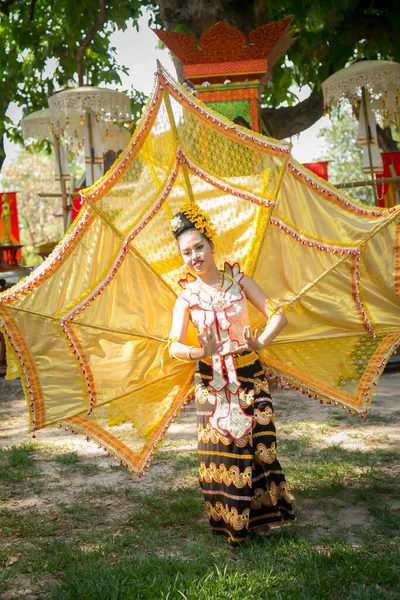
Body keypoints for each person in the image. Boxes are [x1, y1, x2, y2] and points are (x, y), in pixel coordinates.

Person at [168, 202, 296, 548]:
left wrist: (261, 340)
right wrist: (200, 352)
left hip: (250, 374)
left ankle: (262, 517)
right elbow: (173, 347)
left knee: (260, 444)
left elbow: (278, 315)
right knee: (222, 451)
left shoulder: (240, 282)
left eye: (199, 247)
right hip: (211, 382)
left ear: (211, 245)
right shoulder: (186, 297)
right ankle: (231, 523)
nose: (194, 256)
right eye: (186, 252)